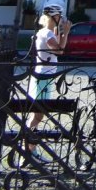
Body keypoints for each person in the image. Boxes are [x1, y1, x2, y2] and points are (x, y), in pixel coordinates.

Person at [18, 9, 71, 155]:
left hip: (42, 75)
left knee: (37, 113)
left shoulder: (45, 32)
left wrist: (60, 32)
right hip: (43, 77)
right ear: (52, 17)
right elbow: (60, 51)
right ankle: (28, 147)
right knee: (38, 114)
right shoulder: (46, 34)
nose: (61, 19)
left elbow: (58, 46)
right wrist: (65, 33)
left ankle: (29, 146)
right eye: (59, 17)